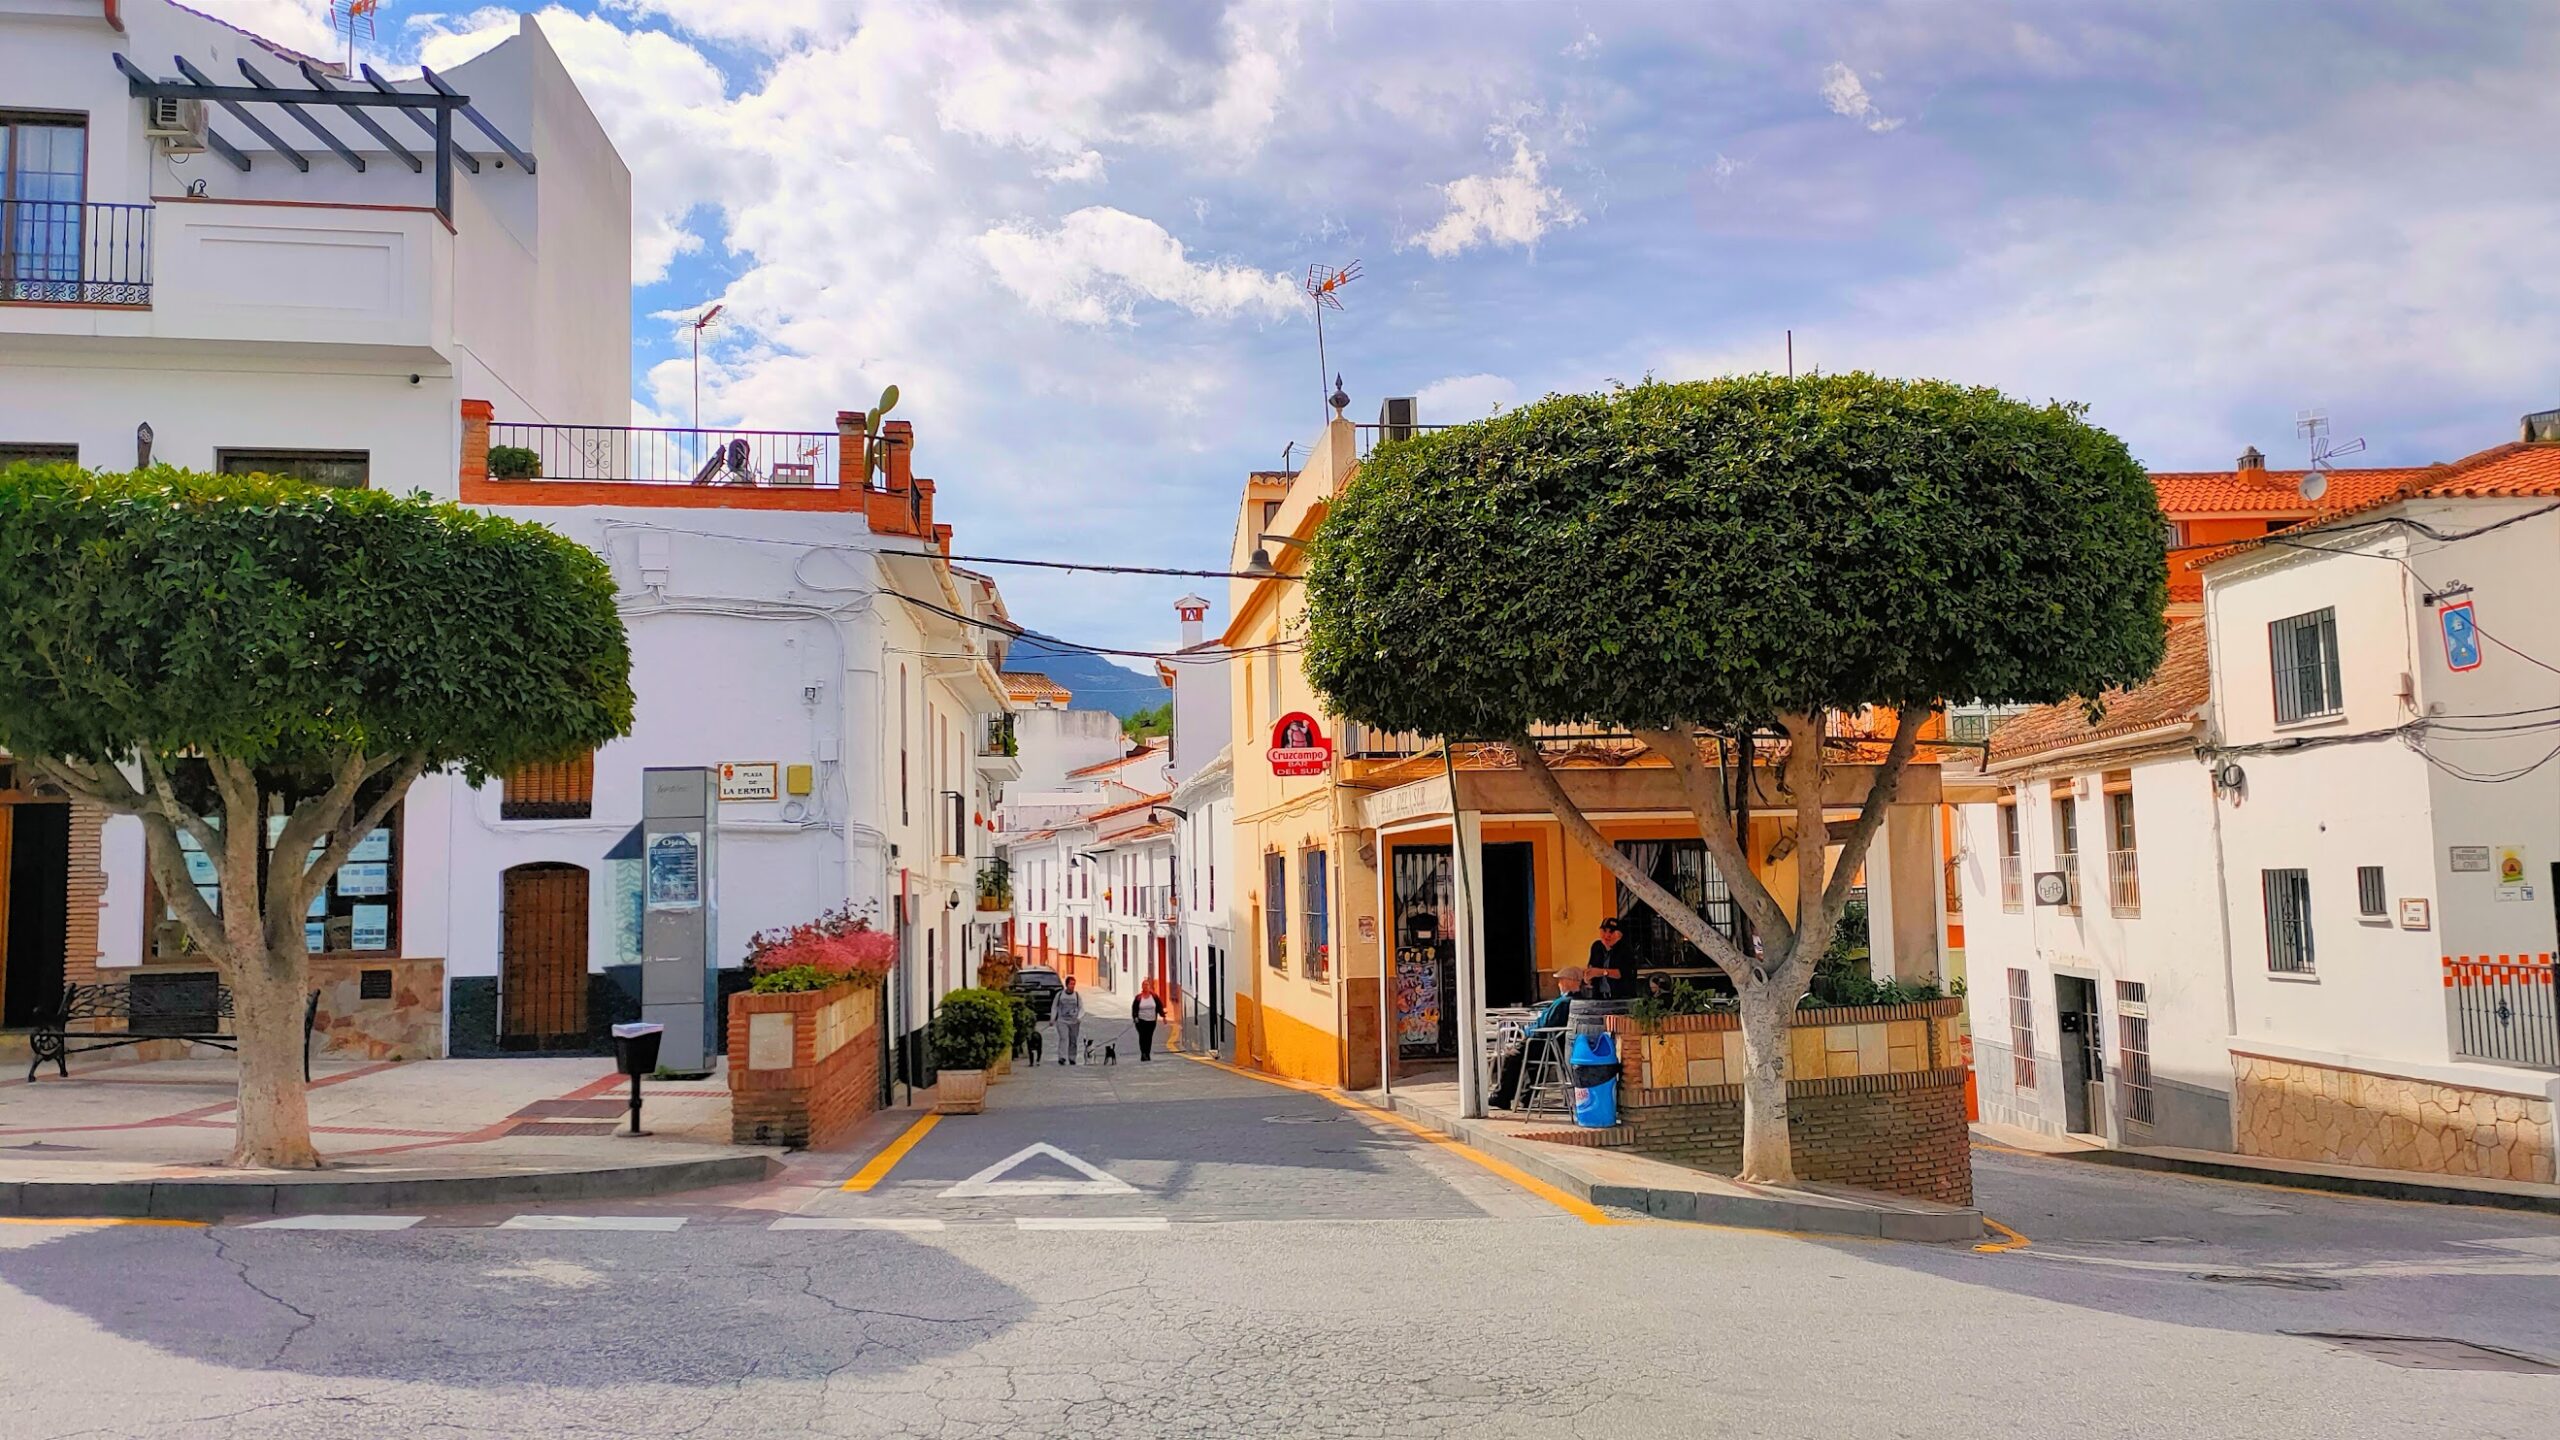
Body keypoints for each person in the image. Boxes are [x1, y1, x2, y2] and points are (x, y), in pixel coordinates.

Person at [1587, 918, 1647, 1002]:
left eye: (1611, 932)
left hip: (1622, 998)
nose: (1607, 935)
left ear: (1620, 935)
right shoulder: (1596, 947)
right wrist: (1588, 977)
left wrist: (1601, 972)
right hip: (1599, 998)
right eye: (1604, 931)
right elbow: (1591, 968)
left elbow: (1622, 973)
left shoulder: (1626, 949)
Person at [1053, 976, 1085, 1064]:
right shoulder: (1060, 995)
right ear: (1066, 985)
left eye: (1074, 984)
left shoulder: (1077, 996)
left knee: (1073, 1040)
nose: (1072, 986)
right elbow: (1054, 1007)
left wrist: (1079, 1017)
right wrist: (1053, 1018)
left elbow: (1081, 1008)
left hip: (1074, 1022)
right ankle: (1062, 1057)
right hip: (1062, 1021)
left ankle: (1072, 1057)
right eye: (1071, 984)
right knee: (1064, 1038)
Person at [1131, 984, 1164, 1062]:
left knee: (1149, 1037)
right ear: (1142, 987)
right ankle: (1143, 1053)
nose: (1146, 987)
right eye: (1144, 985)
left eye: (1147, 985)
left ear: (1150, 987)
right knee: (1142, 1037)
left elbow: (1159, 1006)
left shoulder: (1154, 996)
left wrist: (1163, 1016)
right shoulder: (1139, 997)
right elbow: (1134, 1008)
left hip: (1152, 1021)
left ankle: (1147, 1053)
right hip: (1141, 1021)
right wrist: (1135, 1017)